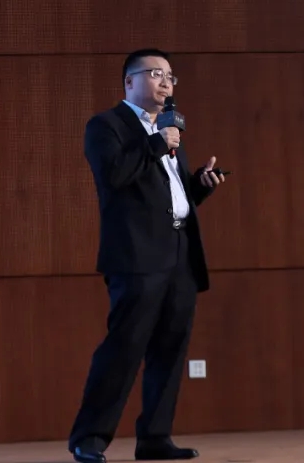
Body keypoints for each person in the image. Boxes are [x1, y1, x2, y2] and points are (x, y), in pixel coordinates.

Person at [68, 49, 225, 463]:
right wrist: (157, 143)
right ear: (129, 81)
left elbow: (168, 196)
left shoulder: (167, 129)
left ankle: (155, 437)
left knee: (170, 351)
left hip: (180, 254)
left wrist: (200, 186)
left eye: (170, 76)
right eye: (156, 73)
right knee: (123, 348)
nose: (166, 82)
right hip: (137, 258)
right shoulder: (107, 126)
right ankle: (89, 438)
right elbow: (114, 176)